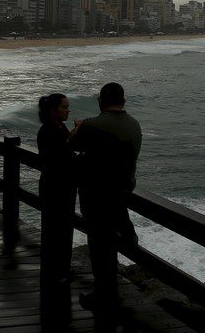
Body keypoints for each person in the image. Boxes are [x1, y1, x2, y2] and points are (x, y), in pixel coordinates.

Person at [68, 82, 142, 313]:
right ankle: (128, 235)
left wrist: (78, 129)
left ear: (100, 101)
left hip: (97, 194)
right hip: (123, 191)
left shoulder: (93, 125)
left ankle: (104, 295)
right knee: (112, 236)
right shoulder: (134, 124)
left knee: (99, 246)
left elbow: (71, 145)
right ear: (124, 101)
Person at [37, 93, 78, 286]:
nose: (68, 110)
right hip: (56, 186)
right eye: (64, 107)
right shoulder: (49, 131)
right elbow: (63, 155)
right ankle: (57, 272)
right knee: (57, 230)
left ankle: (57, 269)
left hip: (59, 185)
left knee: (58, 228)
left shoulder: (57, 127)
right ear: (54, 111)